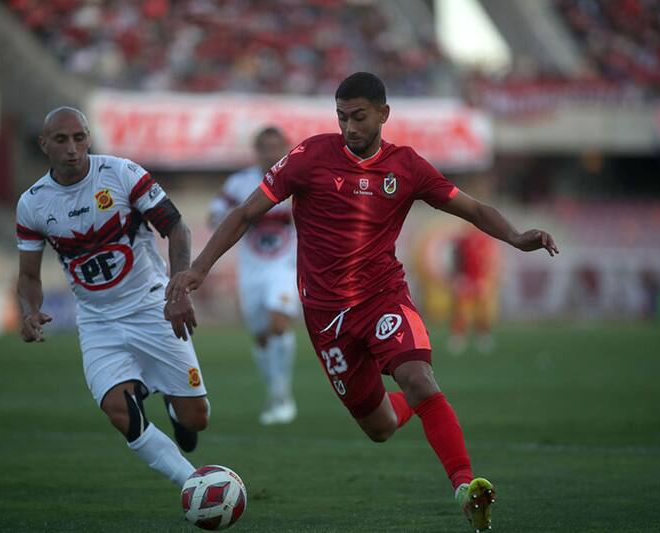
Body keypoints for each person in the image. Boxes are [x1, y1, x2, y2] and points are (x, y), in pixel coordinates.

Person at [165, 73, 559, 531]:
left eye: (358, 116)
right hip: (327, 318)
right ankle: (413, 403)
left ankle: (465, 488)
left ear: (383, 114)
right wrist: (200, 267)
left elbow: (470, 208)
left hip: (382, 297)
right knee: (382, 427)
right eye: (341, 116)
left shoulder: (407, 167)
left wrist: (514, 235)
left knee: (419, 377)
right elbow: (246, 212)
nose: (349, 127)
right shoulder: (310, 156)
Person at [16, 107, 208, 489]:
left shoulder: (121, 173)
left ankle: (167, 398)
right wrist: (29, 311)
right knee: (118, 411)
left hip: (152, 306)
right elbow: (27, 274)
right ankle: (194, 485)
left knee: (196, 419)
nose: (72, 148)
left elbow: (177, 227)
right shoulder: (32, 203)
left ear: (89, 138)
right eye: (61, 139)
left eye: (79, 137)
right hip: (97, 320)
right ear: (44, 145)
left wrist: (178, 291)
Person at [209, 126, 299, 425]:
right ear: (256, 150)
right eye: (265, 147)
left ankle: (282, 395)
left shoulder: (298, 179)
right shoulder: (240, 183)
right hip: (251, 273)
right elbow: (215, 214)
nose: (271, 153)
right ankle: (274, 392)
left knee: (278, 323)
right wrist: (228, 215)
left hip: (284, 268)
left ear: (286, 148)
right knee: (261, 338)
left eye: (277, 147)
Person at [448, 225, 500, 355]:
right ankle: (458, 337)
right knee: (461, 309)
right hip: (465, 278)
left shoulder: (485, 240)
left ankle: (483, 336)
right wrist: (458, 276)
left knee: (482, 309)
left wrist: (484, 277)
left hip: (479, 279)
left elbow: (488, 260)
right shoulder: (462, 241)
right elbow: (456, 258)